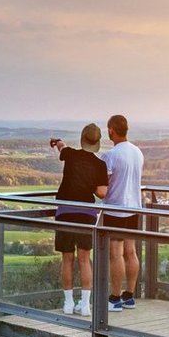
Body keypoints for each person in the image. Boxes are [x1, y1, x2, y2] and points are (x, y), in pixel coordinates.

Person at [51, 124, 109, 315]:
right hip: (86, 213)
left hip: (65, 213)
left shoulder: (71, 154)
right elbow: (102, 192)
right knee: (85, 259)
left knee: (67, 259)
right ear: (97, 142)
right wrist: (89, 185)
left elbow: (61, 147)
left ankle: (68, 303)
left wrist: (57, 142)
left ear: (82, 139)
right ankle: (85, 305)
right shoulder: (100, 165)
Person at [97, 114, 144, 312]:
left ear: (111, 130)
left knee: (115, 254)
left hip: (115, 209)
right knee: (131, 251)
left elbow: (102, 189)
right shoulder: (138, 152)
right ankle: (129, 296)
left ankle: (115, 298)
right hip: (134, 207)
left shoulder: (110, 155)